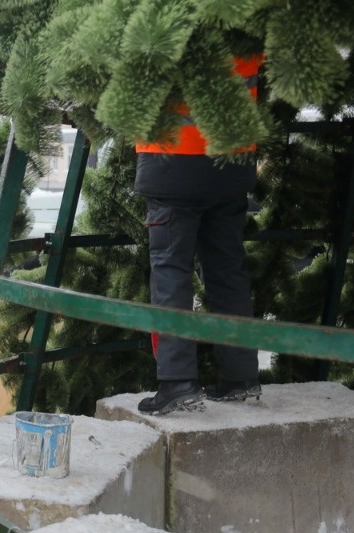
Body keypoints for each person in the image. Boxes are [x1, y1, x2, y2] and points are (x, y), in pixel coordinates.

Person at [135, 55, 264, 415]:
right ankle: (241, 377)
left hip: (171, 163)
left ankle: (177, 382)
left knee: (171, 272)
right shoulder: (247, 22)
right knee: (228, 270)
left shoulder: (156, 17)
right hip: (232, 165)